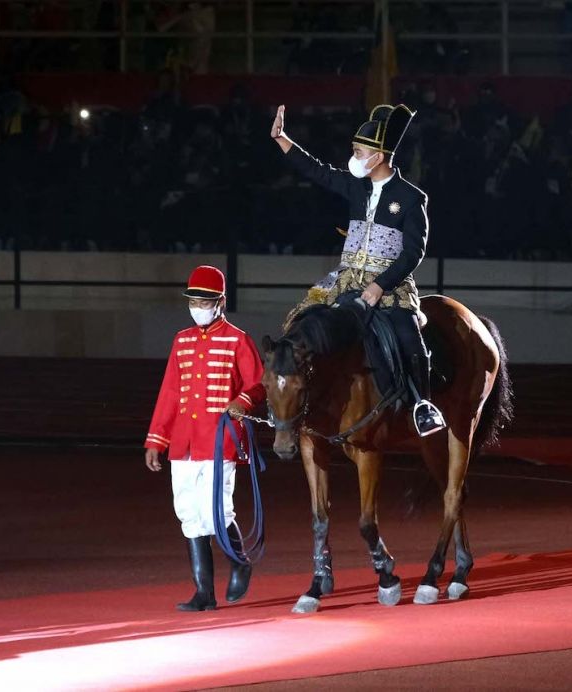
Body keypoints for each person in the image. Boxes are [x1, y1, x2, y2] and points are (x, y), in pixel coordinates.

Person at [270, 103, 445, 437]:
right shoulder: (355, 185)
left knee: (410, 337)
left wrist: (381, 285)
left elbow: (414, 252)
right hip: (346, 279)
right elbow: (316, 170)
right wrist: (282, 140)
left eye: (358, 151)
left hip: (390, 287)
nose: (352, 155)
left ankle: (423, 405)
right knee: (303, 320)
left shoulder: (411, 198)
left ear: (377, 156)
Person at [144, 265, 265, 611]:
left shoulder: (238, 339)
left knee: (217, 512)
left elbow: (258, 383)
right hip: (183, 442)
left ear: (221, 301)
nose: (198, 305)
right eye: (194, 299)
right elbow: (169, 393)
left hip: (219, 440)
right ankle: (204, 592)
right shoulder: (181, 341)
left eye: (205, 300)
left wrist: (241, 401)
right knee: (188, 513)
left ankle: (240, 561)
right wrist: (156, 440)